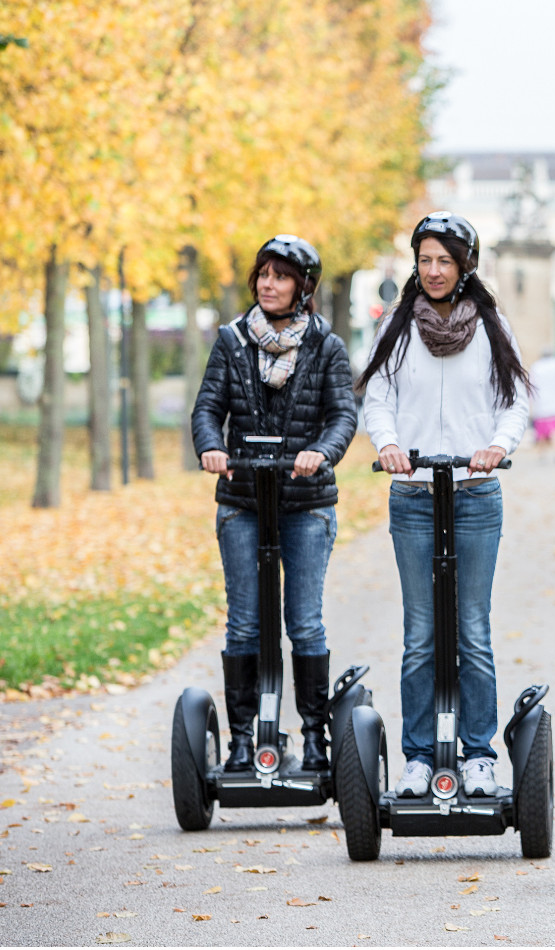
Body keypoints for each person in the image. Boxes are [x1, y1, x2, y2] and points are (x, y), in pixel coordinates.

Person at [358, 212, 530, 798]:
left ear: (465, 266)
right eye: (425, 259)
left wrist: (495, 447)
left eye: (444, 261)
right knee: (422, 635)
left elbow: (514, 404)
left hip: (475, 494)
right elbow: (376, 396)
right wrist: (386, 444)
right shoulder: (398, 326)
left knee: (473, 631)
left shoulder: (489, 325)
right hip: (412, 496)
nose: (433, 271)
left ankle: (479, 755)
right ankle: (418, 756)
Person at [191, 234, 358, 773]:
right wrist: (212, 447)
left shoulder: (326, 347)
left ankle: (314, 739)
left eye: (281, 276)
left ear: (303, 288)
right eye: (263, 274)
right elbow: (207, 408)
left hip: (305, 503)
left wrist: (321, 451)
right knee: (243, 624)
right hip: (243, 499)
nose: (268, 284)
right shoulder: (232, 341)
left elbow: (342, 416)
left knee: (304, 623)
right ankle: (244, 739)